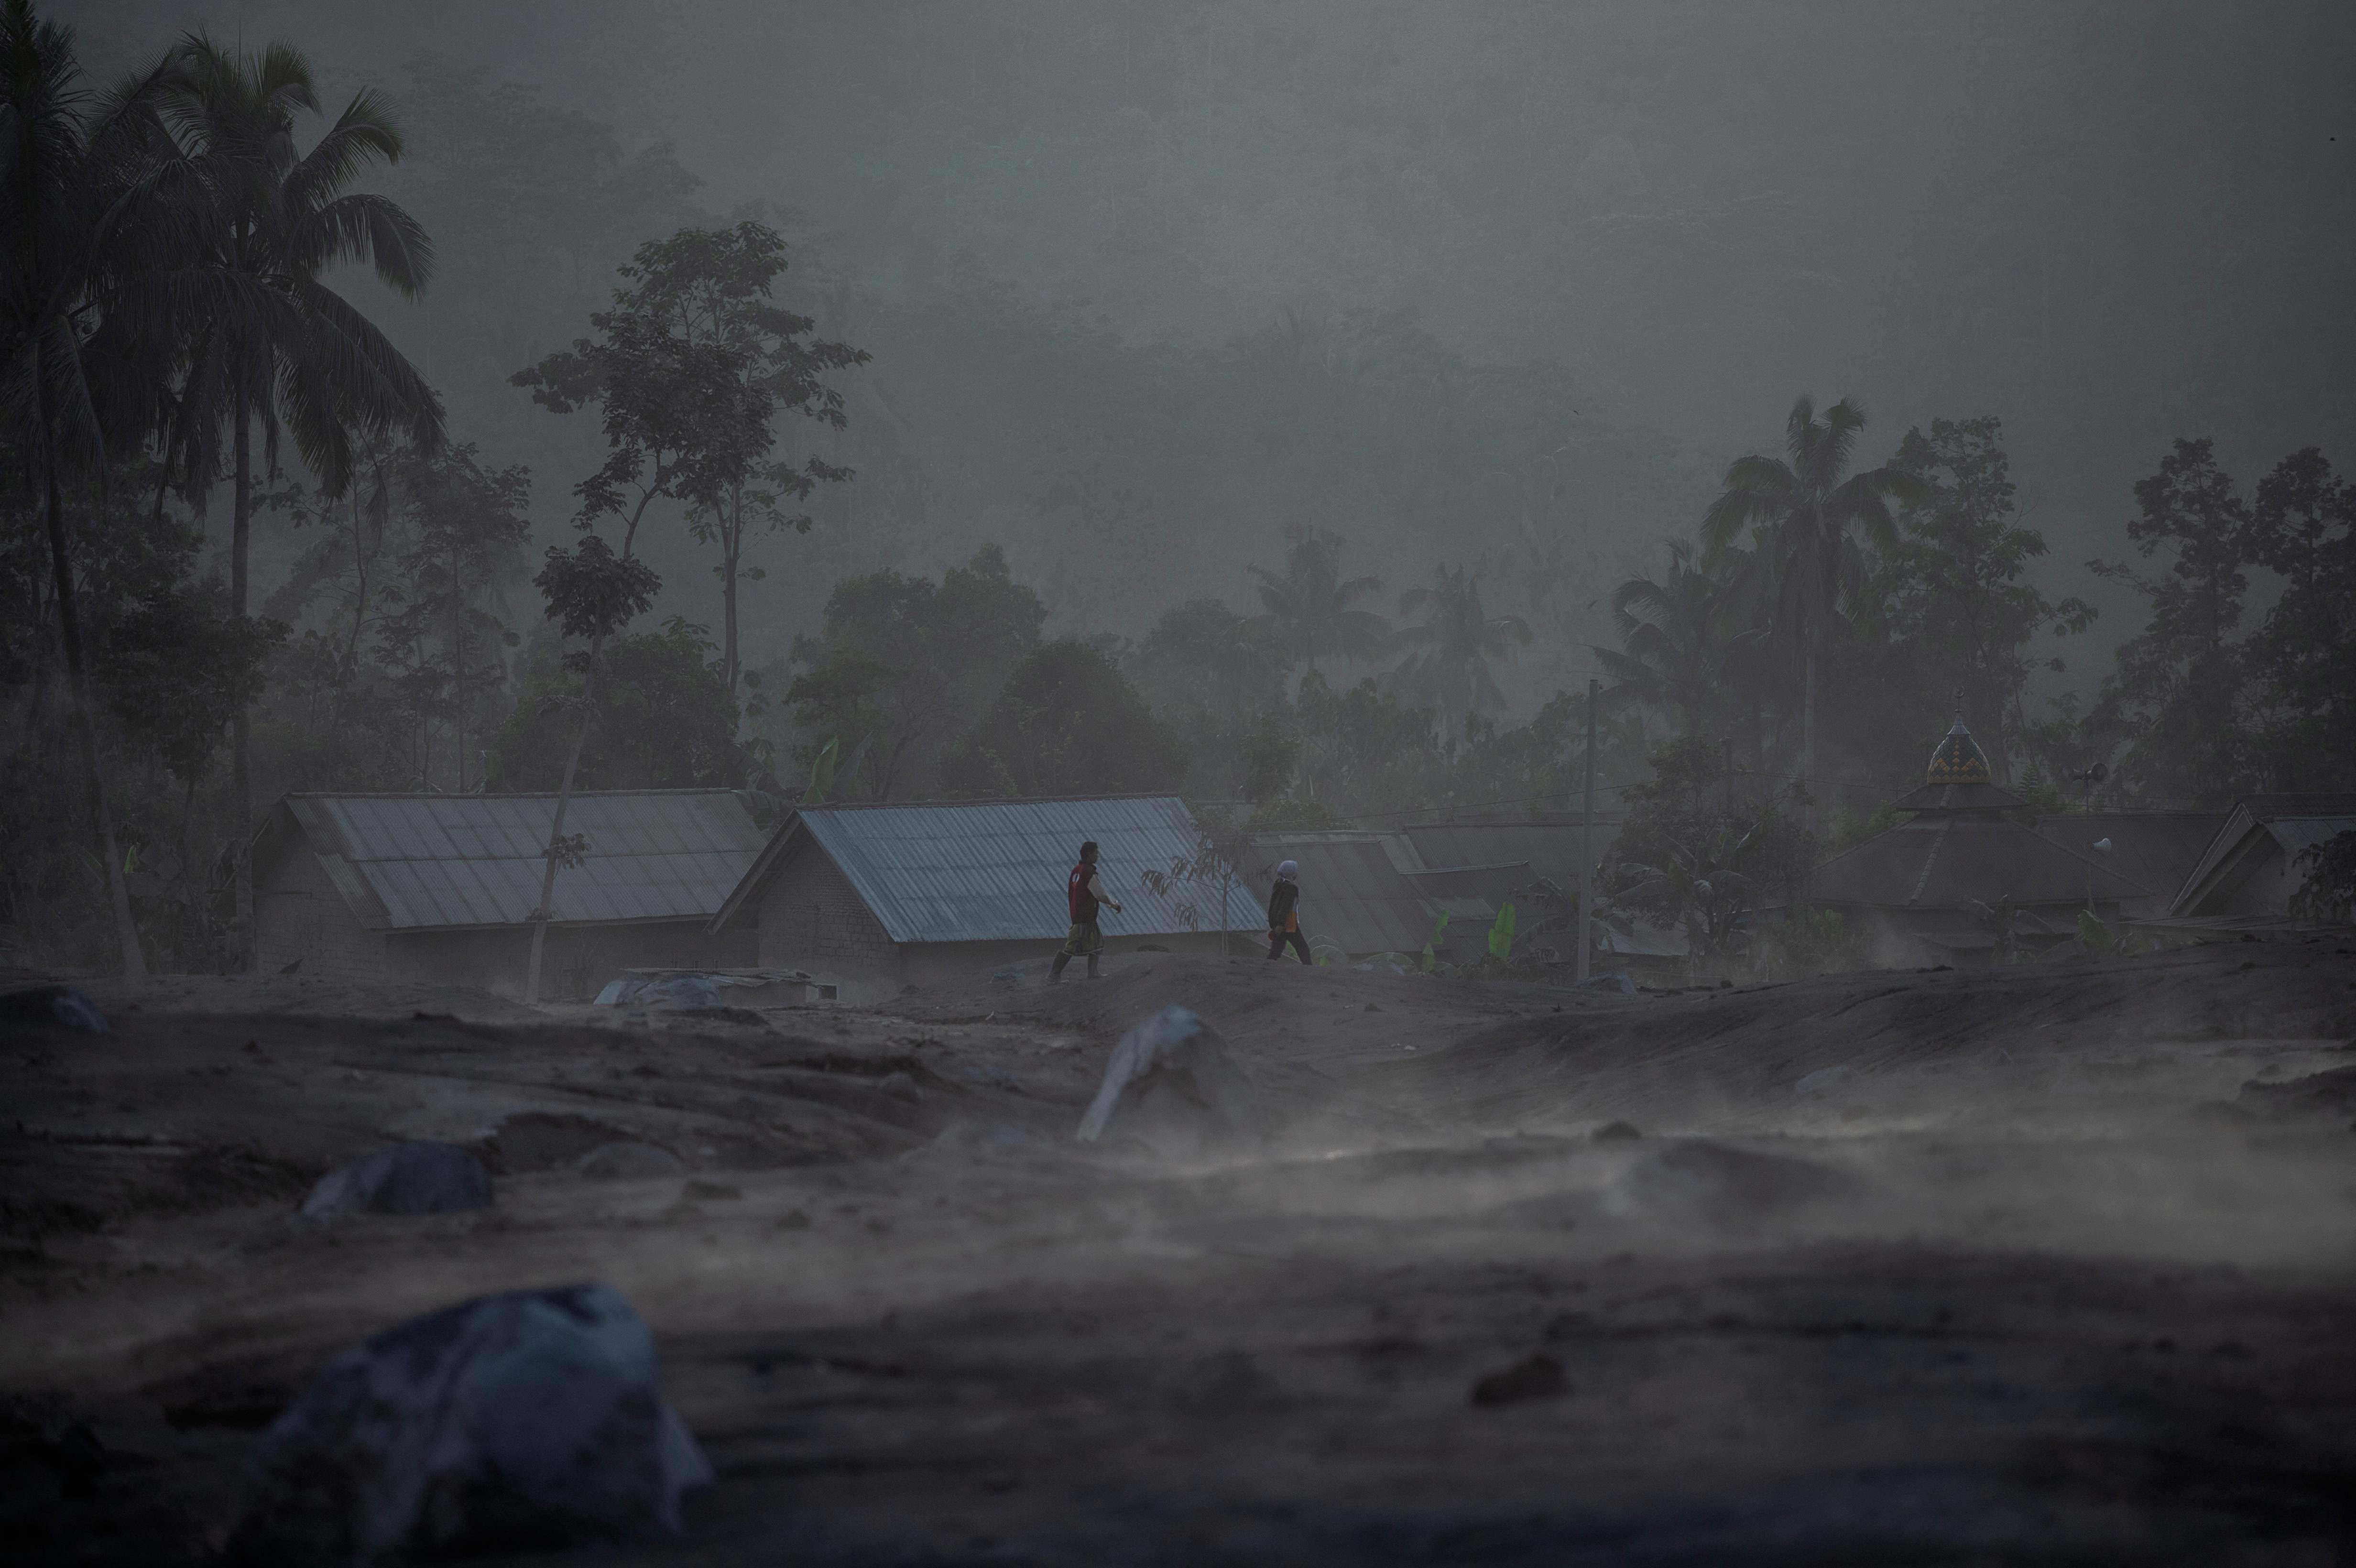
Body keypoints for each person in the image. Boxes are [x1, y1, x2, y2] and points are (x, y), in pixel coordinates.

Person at [1050, 839, 1123, 982]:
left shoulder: (1076, 871)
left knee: (1097, 941)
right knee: (1072, 945)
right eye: (1096, 853)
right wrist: (1114, 905)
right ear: (1089, 855)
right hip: (1084, 915)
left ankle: (1093, 972)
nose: (1098, 856)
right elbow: (1100, 894)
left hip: (1080, 913)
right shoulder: (1088, 871)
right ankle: (1054, 974)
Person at [1266, 859, 1310, 964]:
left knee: (1276, 949)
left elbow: (1275, 906)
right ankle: (1310, 970)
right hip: (1288, 923)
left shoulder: (1278, 885)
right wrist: (1281, 923)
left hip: (1279, 923)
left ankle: (1267, 966)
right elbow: (1286, 906)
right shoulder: (1291, 888)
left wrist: (1277, 923)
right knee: (1303, 949)